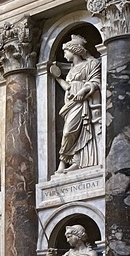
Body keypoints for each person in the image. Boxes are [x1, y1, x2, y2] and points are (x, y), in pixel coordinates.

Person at [51, 35, 101, 173]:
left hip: (83, 101)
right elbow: (68, 87)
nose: (64, 55)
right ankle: (71, 161)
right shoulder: (72, 69)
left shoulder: (90, 64)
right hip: (71, 102)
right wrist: (58, 78)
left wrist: (83, 91)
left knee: (72, 131)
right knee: (69, 132)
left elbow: (96, 81)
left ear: (74, 51)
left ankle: (72, 162)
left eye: (66, 52)